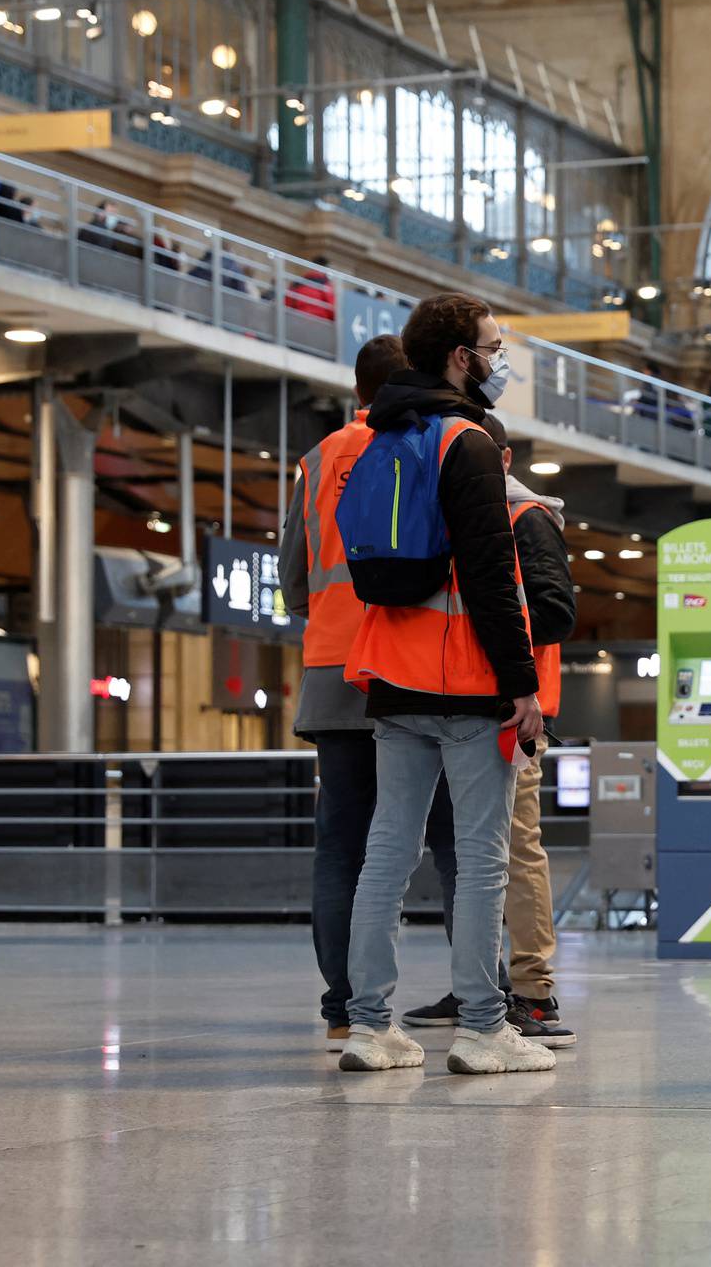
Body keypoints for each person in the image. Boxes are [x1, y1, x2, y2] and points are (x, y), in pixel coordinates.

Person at [337, 292, 553, 1076]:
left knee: (386, 855)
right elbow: (494, 578)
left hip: (391, 679)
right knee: (484, 856)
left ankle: (368, 1026)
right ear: (461, 358)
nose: (499, 361)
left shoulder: (379, 436)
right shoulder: (466, 441)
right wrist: (522, 685)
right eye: (493, 348)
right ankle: (483, 1027)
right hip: (466, 682)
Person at [280, 333, 458, 1054]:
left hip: (330, 669)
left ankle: (343, 1008)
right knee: (451, 834)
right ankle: (483, 991)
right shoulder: (427, 443)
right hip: (411, 665)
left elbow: (293, 575)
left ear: (355, 389)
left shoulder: (317, 458)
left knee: (341, 844)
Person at [402, 412, 579, 1049]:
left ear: (501, 461)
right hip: (471, 704)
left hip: (518, 708)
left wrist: (501, 646)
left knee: (515, 847)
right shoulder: (460, 517)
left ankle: (534, 991)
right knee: (473, 852)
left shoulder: (526, 518)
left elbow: (556, 612)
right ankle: (482, 981)